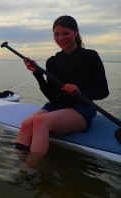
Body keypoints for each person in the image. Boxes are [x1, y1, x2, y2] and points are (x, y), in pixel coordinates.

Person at [13, 15, 109, 154]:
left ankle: (33, 168)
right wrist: (38, 73)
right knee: (26, 123)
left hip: (81, 109)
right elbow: (52, 96)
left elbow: (103, 92)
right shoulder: (52, 61)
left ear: (76, 32)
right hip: (56, 106)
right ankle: (17, 167)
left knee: (40, 122)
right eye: (56, 34)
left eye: (66, 33)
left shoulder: (90, 56)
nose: (61, 38)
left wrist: (80, 91)